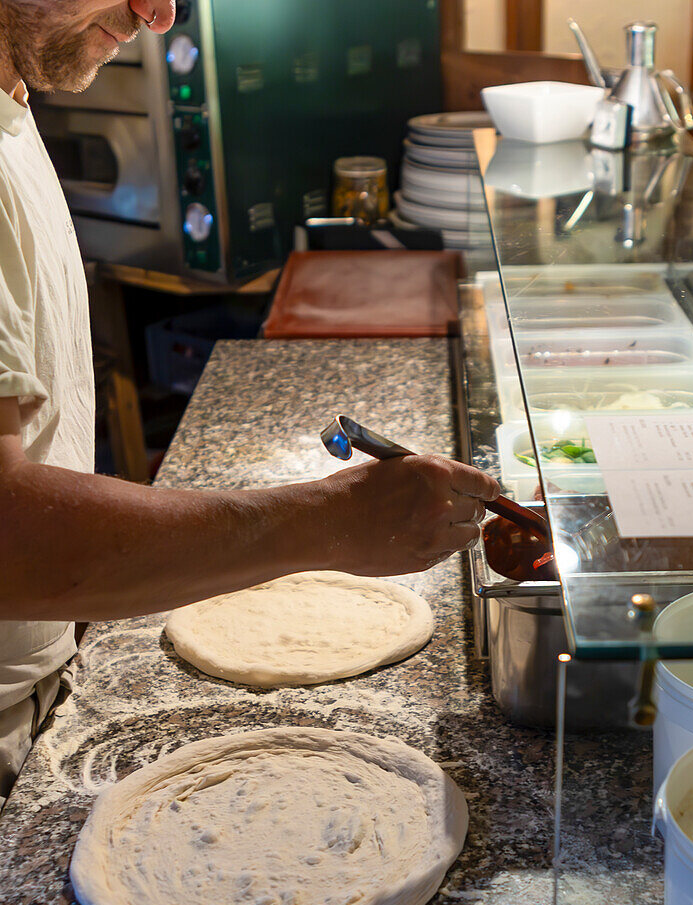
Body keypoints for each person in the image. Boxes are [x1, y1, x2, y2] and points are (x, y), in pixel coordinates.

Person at [0, 0, 500, 804]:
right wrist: (329, 521)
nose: (157, 14)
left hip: (37, 684)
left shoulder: (15, 102)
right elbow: (7, 538)